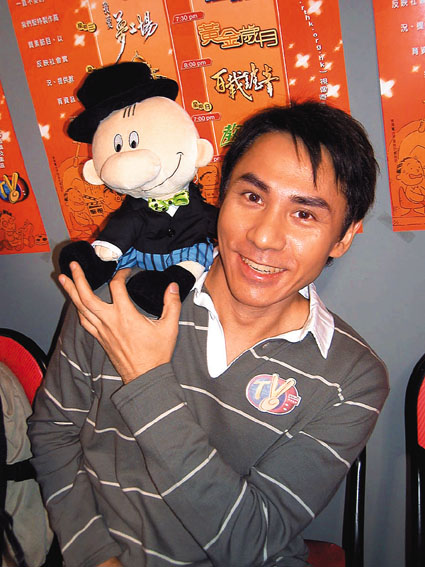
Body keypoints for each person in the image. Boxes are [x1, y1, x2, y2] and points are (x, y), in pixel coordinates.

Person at [28, 101, 389, 567]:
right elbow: (55, 434)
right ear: (222, 195)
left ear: (343, 237)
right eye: (252, 197)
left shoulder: (352, 378)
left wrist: (147, 382)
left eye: (304, 215)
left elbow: (252, 541)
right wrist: (95, 557)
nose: (263, 237)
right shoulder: (113, 301)